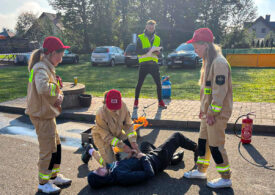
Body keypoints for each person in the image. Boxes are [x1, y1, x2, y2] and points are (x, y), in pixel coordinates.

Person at [183, 28, 233, 188]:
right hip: (208, 112)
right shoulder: (208, 61)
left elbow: (219, 92)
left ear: (206, 45)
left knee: (215, 145)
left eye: (196, 47)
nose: (195, 50)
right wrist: (203, 108)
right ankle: (201, 170)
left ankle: (225, 178)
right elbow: (207, 90)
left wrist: (211, 112)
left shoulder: (219, 63)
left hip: (216, 113)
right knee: (203, 141)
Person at [25, 36, 72, 194]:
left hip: (46, 113)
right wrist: (57, 90)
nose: (62, 57)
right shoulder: (40, 68)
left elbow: (44, 88)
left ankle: (53, 176)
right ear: (52, 53)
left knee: (56, 146)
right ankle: (43, 183)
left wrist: (56, 84)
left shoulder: (45, 67)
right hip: (41, 115)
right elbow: (43, 88)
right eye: (61, 54)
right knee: (47, 149)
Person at [83, 132, 198, 189]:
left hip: (148, 156)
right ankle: (196, 149)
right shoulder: (122, 177)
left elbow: (125, 164)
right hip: (156, 160)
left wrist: (130, 156)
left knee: (145, 144)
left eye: (96, 169)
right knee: (177, 136)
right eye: (98, 172)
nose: (98, 168)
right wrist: (142, 157)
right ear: (102, 180)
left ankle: (170, 159)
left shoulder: (112, 170)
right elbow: (149, 173)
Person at [87, 89, 140, 167]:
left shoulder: (123, 106)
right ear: (106, 103)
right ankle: (91, 151)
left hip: (117, 132)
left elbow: (129, 126)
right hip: (102, 137)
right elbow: (107, 136)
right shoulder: (100, 113)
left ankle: (117, 156)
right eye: (112, 107)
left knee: (133, 149)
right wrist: (123, 146)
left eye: (116, 107)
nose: (114, 109)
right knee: (110, 166)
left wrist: (133, 143)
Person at [134, 19, 167, 109]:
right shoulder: (140, 38)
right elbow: (137, 51)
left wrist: (158, 53)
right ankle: (136, 102)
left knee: (158, 84)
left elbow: (161, 51)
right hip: (144, 65)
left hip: (154, 65)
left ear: (154, 28)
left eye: (152, 27)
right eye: (149, 27)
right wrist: (147, 49)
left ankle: (160, 102)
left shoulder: (158, 38)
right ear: (146, 27)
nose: (151, 28)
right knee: (139, 84)